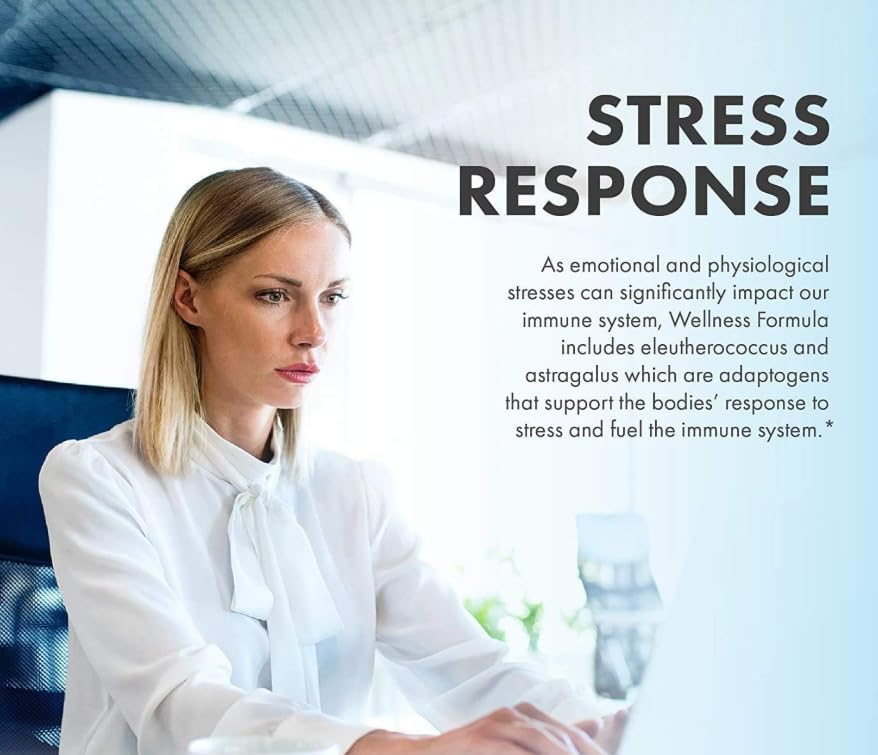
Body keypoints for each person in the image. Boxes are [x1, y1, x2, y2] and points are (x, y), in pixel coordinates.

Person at [38, 167, 627, 755]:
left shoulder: (355, 491)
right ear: (190, 298)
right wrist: (399, 749)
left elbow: (469, 668)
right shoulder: (95, 479)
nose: (314, 331)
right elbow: (179, 703)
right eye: (275, 295)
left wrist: (616, 726)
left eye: (333, 297)